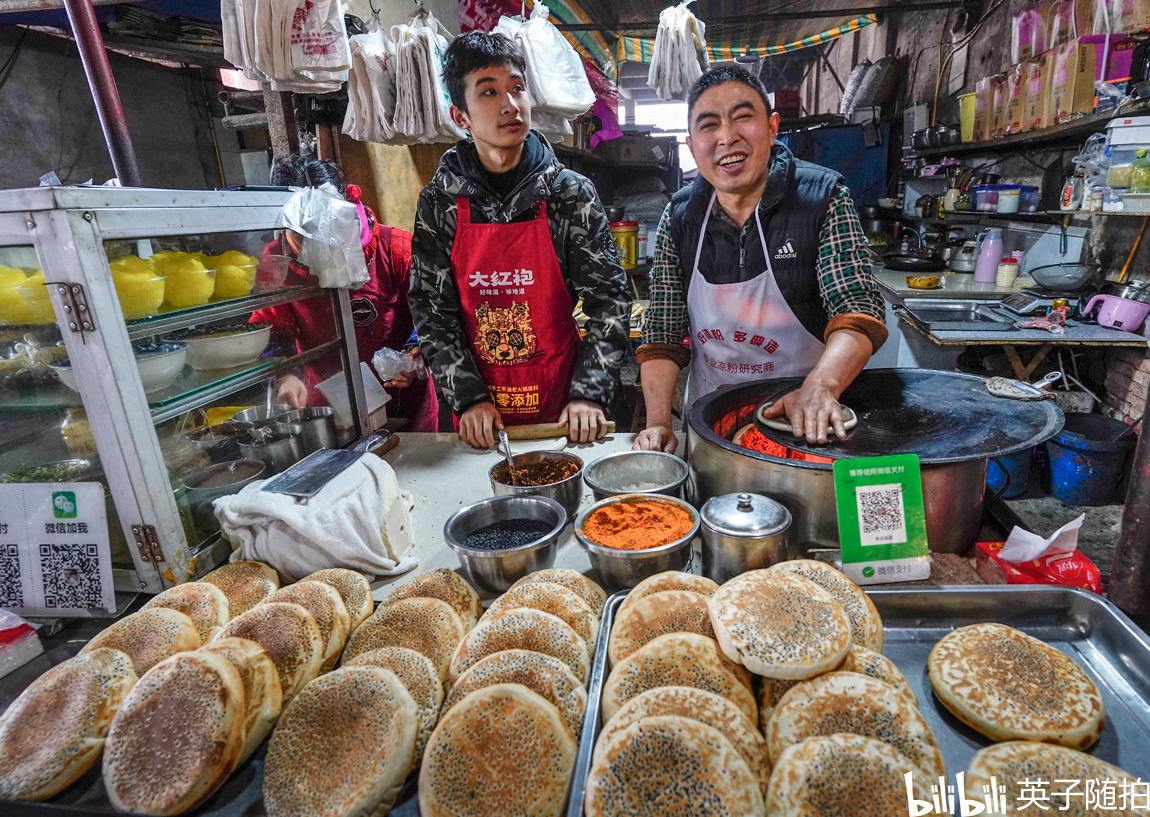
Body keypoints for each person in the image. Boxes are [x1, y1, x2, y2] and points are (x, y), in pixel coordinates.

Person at [633, 65, 887, 453]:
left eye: (743, 117)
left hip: (805, 424)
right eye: (709, 125)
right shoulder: (681, 216)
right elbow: (663, 333)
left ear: (771, 127)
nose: (726, 137)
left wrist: (820, 387)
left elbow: (858, 307)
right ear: (691, 144)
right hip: (711, 423)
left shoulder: (822, 197)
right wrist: (658, 424)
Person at [408, 31, 631, 449]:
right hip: (479, 421)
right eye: (489, 92)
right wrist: (468, 398)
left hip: (565, 412)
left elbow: (610, 300)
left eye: (517, 88)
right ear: (461, 117)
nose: (510, 104)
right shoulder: (439, 202)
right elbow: (431, 311)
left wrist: (590, 393)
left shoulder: (569, 194)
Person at [253, 157, 439, 432]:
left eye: (327, 228)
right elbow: (268, 330)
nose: (318, 245)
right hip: (326, 410)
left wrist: (413, 353)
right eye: (303, 232)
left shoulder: (396, 248)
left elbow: (430, 313)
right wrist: (285, 376)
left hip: (403, 402)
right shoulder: (277, 262)